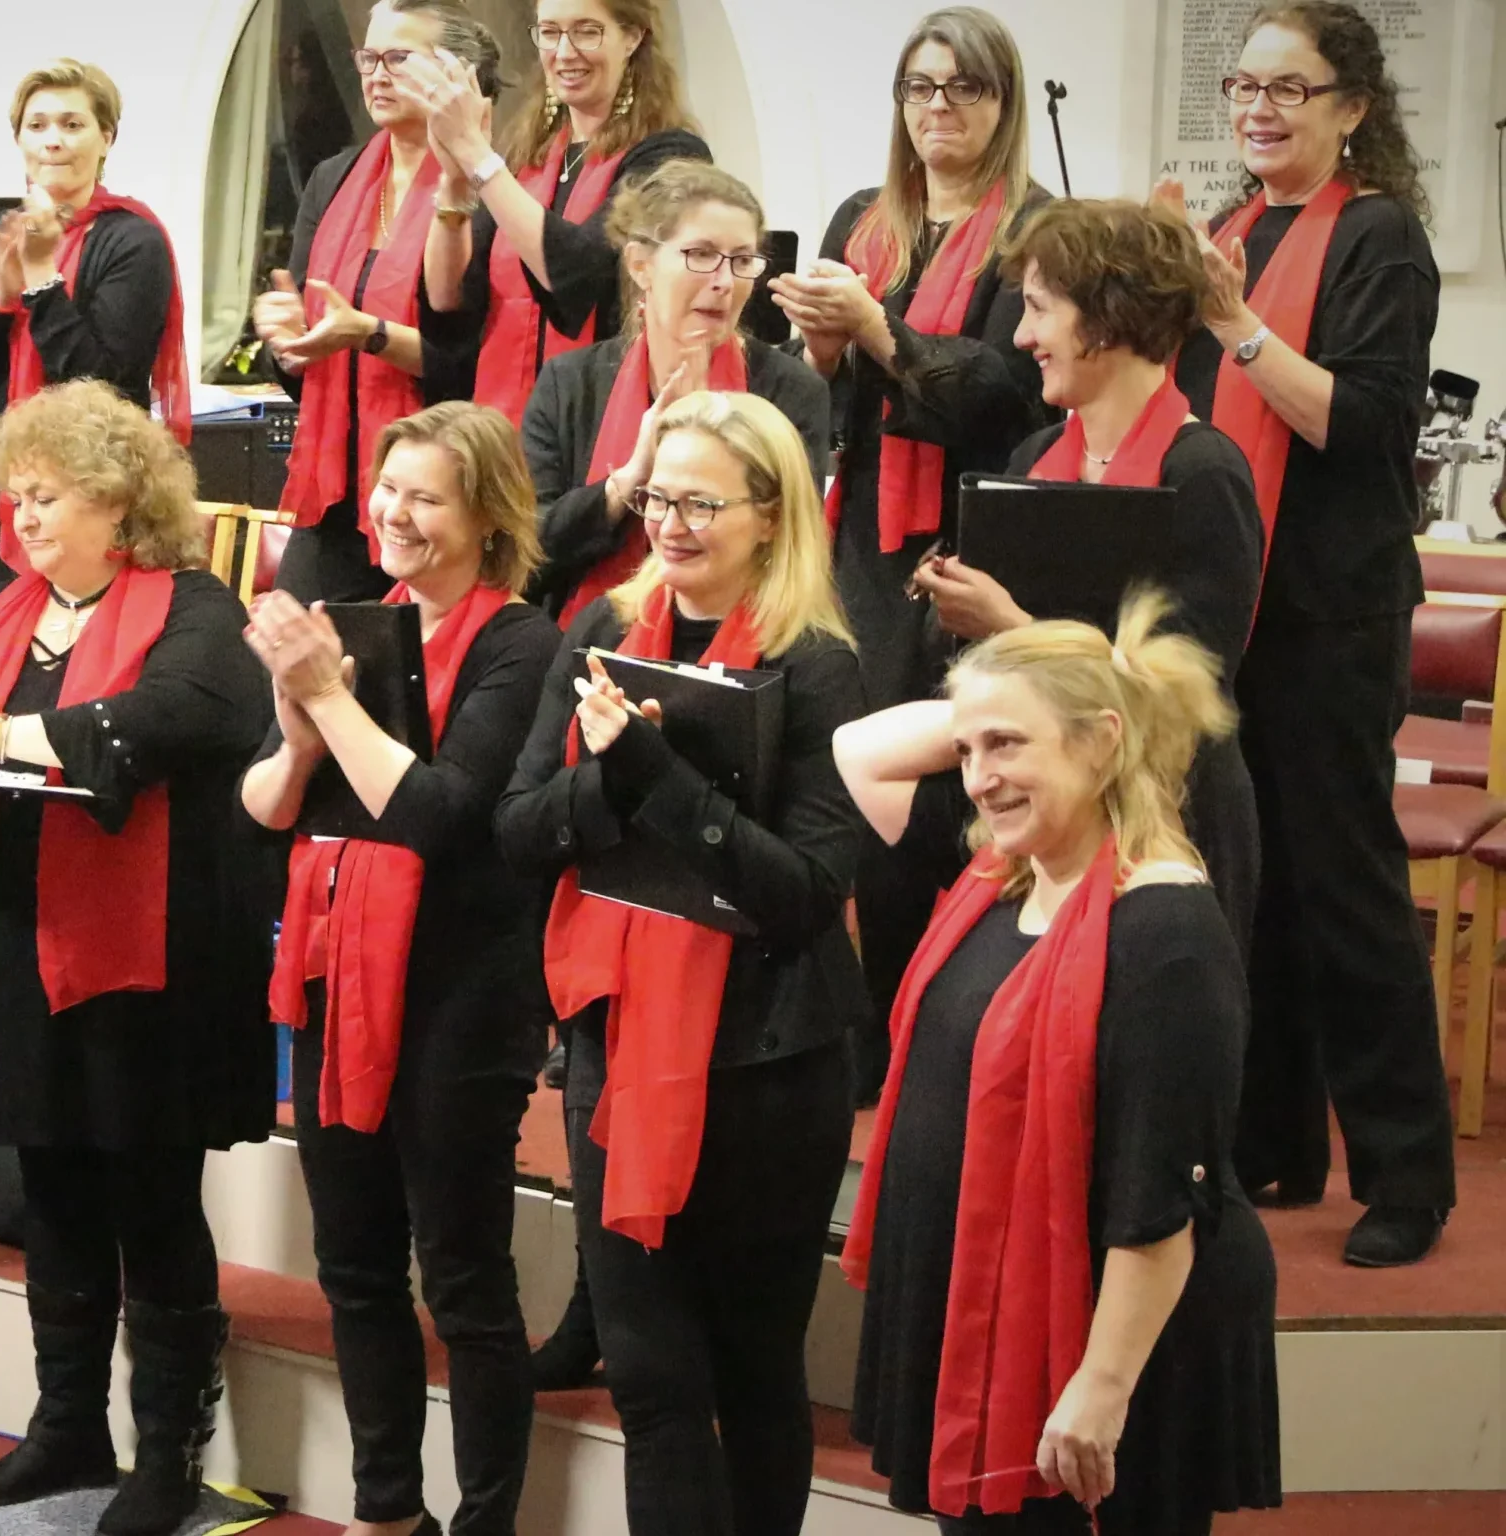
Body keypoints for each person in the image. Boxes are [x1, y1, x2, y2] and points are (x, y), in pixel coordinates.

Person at [0, 381, 274, 1536]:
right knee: (47, 1188)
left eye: (44, 497)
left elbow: (172, 720)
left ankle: (168, 1453)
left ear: (116, 500)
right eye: (12, 497)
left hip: (147, 965)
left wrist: (0, 737)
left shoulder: (195, 612)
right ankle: (66, 1428)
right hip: (15, 943)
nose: (21, 519)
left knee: (150, 1202)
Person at [833, 594, 1282, 1536]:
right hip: (990, 1318)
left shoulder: (1166, 933)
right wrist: (998, 705)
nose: (979, 777)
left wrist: (1100, 1387)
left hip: (1102, 1346)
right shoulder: (999, 883)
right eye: (965, 751)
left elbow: (1164, 1195)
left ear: (1101, 742)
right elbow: (858, 748)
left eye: (1008, 746)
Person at [497, 390, 864, 1536]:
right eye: (659, 496)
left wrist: (659, 776)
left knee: (754, 1377)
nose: (671, 522)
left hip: (767, 1061)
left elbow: (805, 896)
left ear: (768, 513)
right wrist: (611, 780)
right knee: (653, 1382)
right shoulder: (602, 629)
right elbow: (517, 830)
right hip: (616, 1048)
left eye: (702, 502)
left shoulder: (819, 665)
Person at [1163, 0, 1455, 1265]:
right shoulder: (1229, 230)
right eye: (1246, 86)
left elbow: (1366, 424)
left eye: (1292, 88)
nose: (1260, 108)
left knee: (1345, 896)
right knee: (1248, 888)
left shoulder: (1378, 237)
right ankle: (1270, 1144)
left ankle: (1405, 1176)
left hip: (1330, 615)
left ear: (1351, 106)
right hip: (1232, 608)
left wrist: (1232, 322)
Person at [243, 402, 559, 1536]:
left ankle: (483, 1524)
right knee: (355, 1271)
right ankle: (387, 1513)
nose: (395, 514)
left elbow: (435, 817)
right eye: (389, 491)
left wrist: (326, 693)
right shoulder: (358, 627)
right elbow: (267, 805)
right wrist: (296, 730)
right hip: (338, 986)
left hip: (462, 1000)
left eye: (427, 496)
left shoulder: (523, 642)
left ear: (486, 516)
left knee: (464, 1287)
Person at [767, 5, 1052, 1100]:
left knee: (940, 807)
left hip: (967, 547)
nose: (938, 109)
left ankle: (945, 1038)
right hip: (861, 537)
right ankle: (868, 1044)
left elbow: (1002, 396)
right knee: (849, 798)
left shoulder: (1032, 231)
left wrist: (876, 333)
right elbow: (843, 395)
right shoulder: (864, 216)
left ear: (1001, 103)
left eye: (963, 89)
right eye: (919, 88)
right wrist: (827, 343)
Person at [910, 197, 1262, 957]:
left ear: (1105, 316)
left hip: (1169, 817)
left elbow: (1186, 692)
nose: (1021, 335)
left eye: (1040, 309)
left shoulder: (1203, 473)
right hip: (1043, 807)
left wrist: (1008, 625)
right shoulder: (1035, 456)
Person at [0, 61, 194, 608]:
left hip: (95, 493)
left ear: (106, 137)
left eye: (72, 125)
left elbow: (105, 382)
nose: (53, 141)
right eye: (37, 125)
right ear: (18, 137)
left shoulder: (133, 239)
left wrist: (43, 282)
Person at [255, 0, 502, 607]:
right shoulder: (332, 178)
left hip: (442, 492)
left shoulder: (493, 192)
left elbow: (477, 370)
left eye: (398, 58)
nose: (375, 74)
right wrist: (287, 342)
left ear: (454, 73)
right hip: (335, 492)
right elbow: (307, 368)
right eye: (369, 57)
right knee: (287, 671)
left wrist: (368, 334)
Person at [524, 160, 833, 625]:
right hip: (584, 638)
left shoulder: (790, 390)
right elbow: (526, 553)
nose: (725, 282)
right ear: (641, 265)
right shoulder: (569, 383)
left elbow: (793, 552)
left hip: (743, 639)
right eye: (701, 255)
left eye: (742, 261)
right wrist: (627, 482)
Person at [415, 0, 713, 422]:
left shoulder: (670, 157)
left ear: (632, 37)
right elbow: (448, 300)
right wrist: (456, 181)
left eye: (587, 31)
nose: (565, 51)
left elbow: (577, 274)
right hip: (500, 428)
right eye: (550, 32)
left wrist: (477, 157)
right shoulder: (527, 156)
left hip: (601, 419)